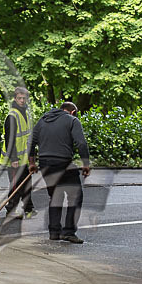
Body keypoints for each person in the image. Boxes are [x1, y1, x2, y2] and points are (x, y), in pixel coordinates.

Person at [29, 101, 90, 243]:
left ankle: (54, 232)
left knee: (55, 196)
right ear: (73, 112)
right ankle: (68, 232)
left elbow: (31, 142)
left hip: (45, 164)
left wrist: (32, 163)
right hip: (63, 163)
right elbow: (81, 143)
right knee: (75, 196)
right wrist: (86, 164)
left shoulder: (42, 120)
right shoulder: (72, 120)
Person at [0, 87, 34, 219]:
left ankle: (28, 208)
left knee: (26, 183)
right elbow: (10, 139)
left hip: (24, 158)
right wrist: (13, 158)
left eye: (24, 98)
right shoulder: (12, 116)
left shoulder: (26, 114)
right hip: (14, 159)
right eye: (19, 98)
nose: (22, 100)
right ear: (15, 99)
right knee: (16, 185)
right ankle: (11, 210)